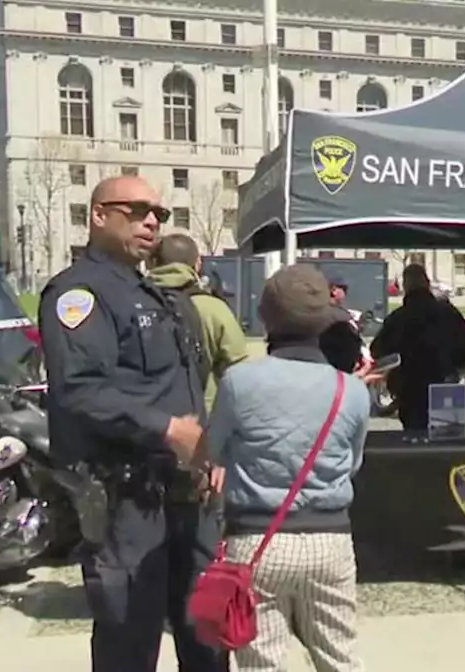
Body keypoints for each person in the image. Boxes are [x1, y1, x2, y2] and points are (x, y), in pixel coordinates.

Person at [37, 175, 228, 672]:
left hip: (187, 494)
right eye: (138, 210)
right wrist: (169, 429)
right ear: (99, 214)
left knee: (207, 636)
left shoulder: (157, 295)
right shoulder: (79, 294)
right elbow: (79, 391)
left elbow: (181, 385)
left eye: (159, 215)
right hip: (128, 502)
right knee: (130, 642)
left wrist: (209, 452)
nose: (152, 222)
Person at [184, 264, 371, 672]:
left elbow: (213, 451)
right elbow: (352, 464)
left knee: (260, 662)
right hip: (330, 537)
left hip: (256, 537)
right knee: (340, 658)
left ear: (266, 316)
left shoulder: (239, 381)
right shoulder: (352, 390)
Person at [147, 233, 249, 410]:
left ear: (152, 263)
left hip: (141, 420)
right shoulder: (214, 309)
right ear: (198, 263)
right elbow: (239, 373)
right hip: (199, 420)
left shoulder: (132, 301)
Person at [371, 264, 465, 430]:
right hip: (445, 382)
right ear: (427, 283)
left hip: (411, 386)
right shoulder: (449, 313)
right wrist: (459, 365)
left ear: (405, 286)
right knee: (446, 436)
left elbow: (378, 349)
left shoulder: (398, 318)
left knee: (415, 436)